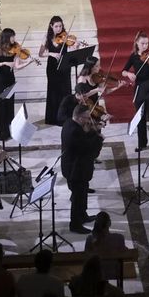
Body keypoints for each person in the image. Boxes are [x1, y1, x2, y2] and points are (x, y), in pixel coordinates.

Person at [61, 105, 104, 234]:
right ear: (79, 118)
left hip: (75, 167)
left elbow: (83, 137)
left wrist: (92, 130)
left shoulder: (69, 122)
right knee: (77, 198)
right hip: (76, 171)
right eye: (86, 118)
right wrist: (99, 138)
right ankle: (75, 224)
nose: (88, 120)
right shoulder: (74, 132)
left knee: (83, 192)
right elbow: (90, 151)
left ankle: (83, 215)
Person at [0, 27, 35, 142]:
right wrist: (4, 63)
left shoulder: (15, 49)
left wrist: (28, 62)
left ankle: (9, 130)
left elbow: (17, 66)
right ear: (6, 37)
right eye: (12, 36)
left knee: (9, 105)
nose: (14, 39)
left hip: (10, 79)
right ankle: (0, 132)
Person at [121, 32, 149, 152]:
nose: (145, 46)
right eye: (143, 43)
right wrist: (129, 74)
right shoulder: (133, 56)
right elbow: (123, 71)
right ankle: (142, 143)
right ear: (137, 43)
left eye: (147, 43)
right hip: (139, 89)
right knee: (140, 116)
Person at [43, 16, 76, 124]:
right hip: (52, 68)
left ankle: (65, 117)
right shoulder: (47, 38)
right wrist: (51, 53)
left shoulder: (66, 36)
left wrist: (76, 45)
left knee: (65, 91)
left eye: (60, 26)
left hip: (64, 67)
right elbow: (41, 53)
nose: (59, 28)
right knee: (53, 91)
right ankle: (52, 118)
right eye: (56, 26)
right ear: (51, 26)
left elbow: (72, 50)